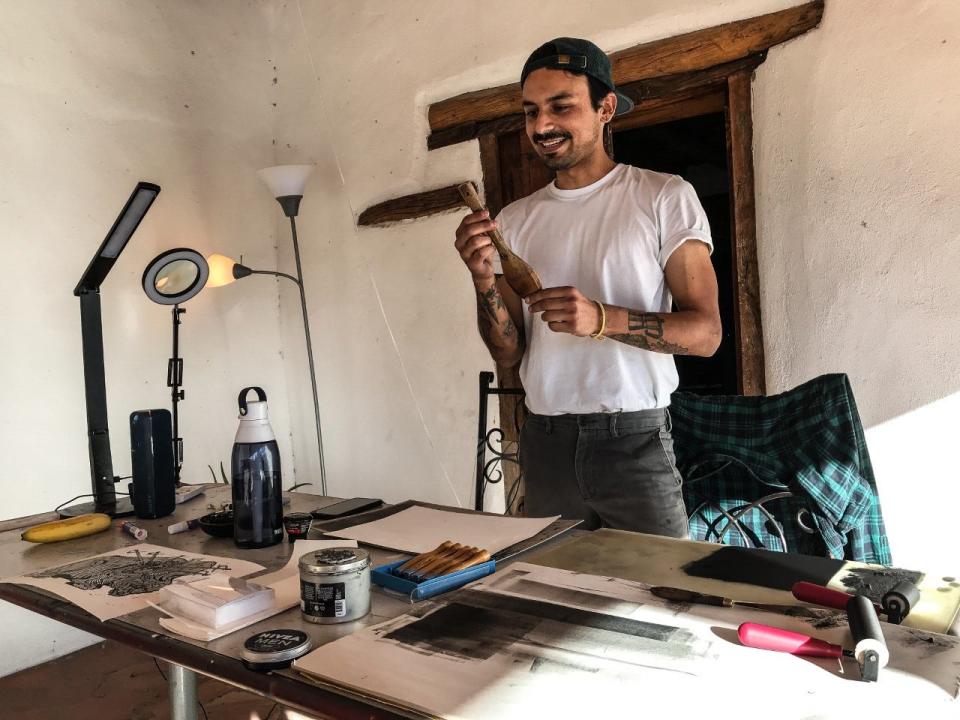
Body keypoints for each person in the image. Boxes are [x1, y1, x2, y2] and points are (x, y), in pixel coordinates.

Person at [453, 37, 721, 538]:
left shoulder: (662, 196)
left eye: (561, 106)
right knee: (554, 597)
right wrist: (483, 279)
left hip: (634, 441)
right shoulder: (516, 220)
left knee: (659, 600)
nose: (541, 126)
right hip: (545, 440)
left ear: (606, 108)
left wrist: (601, 319)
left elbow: (706, 335)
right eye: (531, 111)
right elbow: (507, 352)